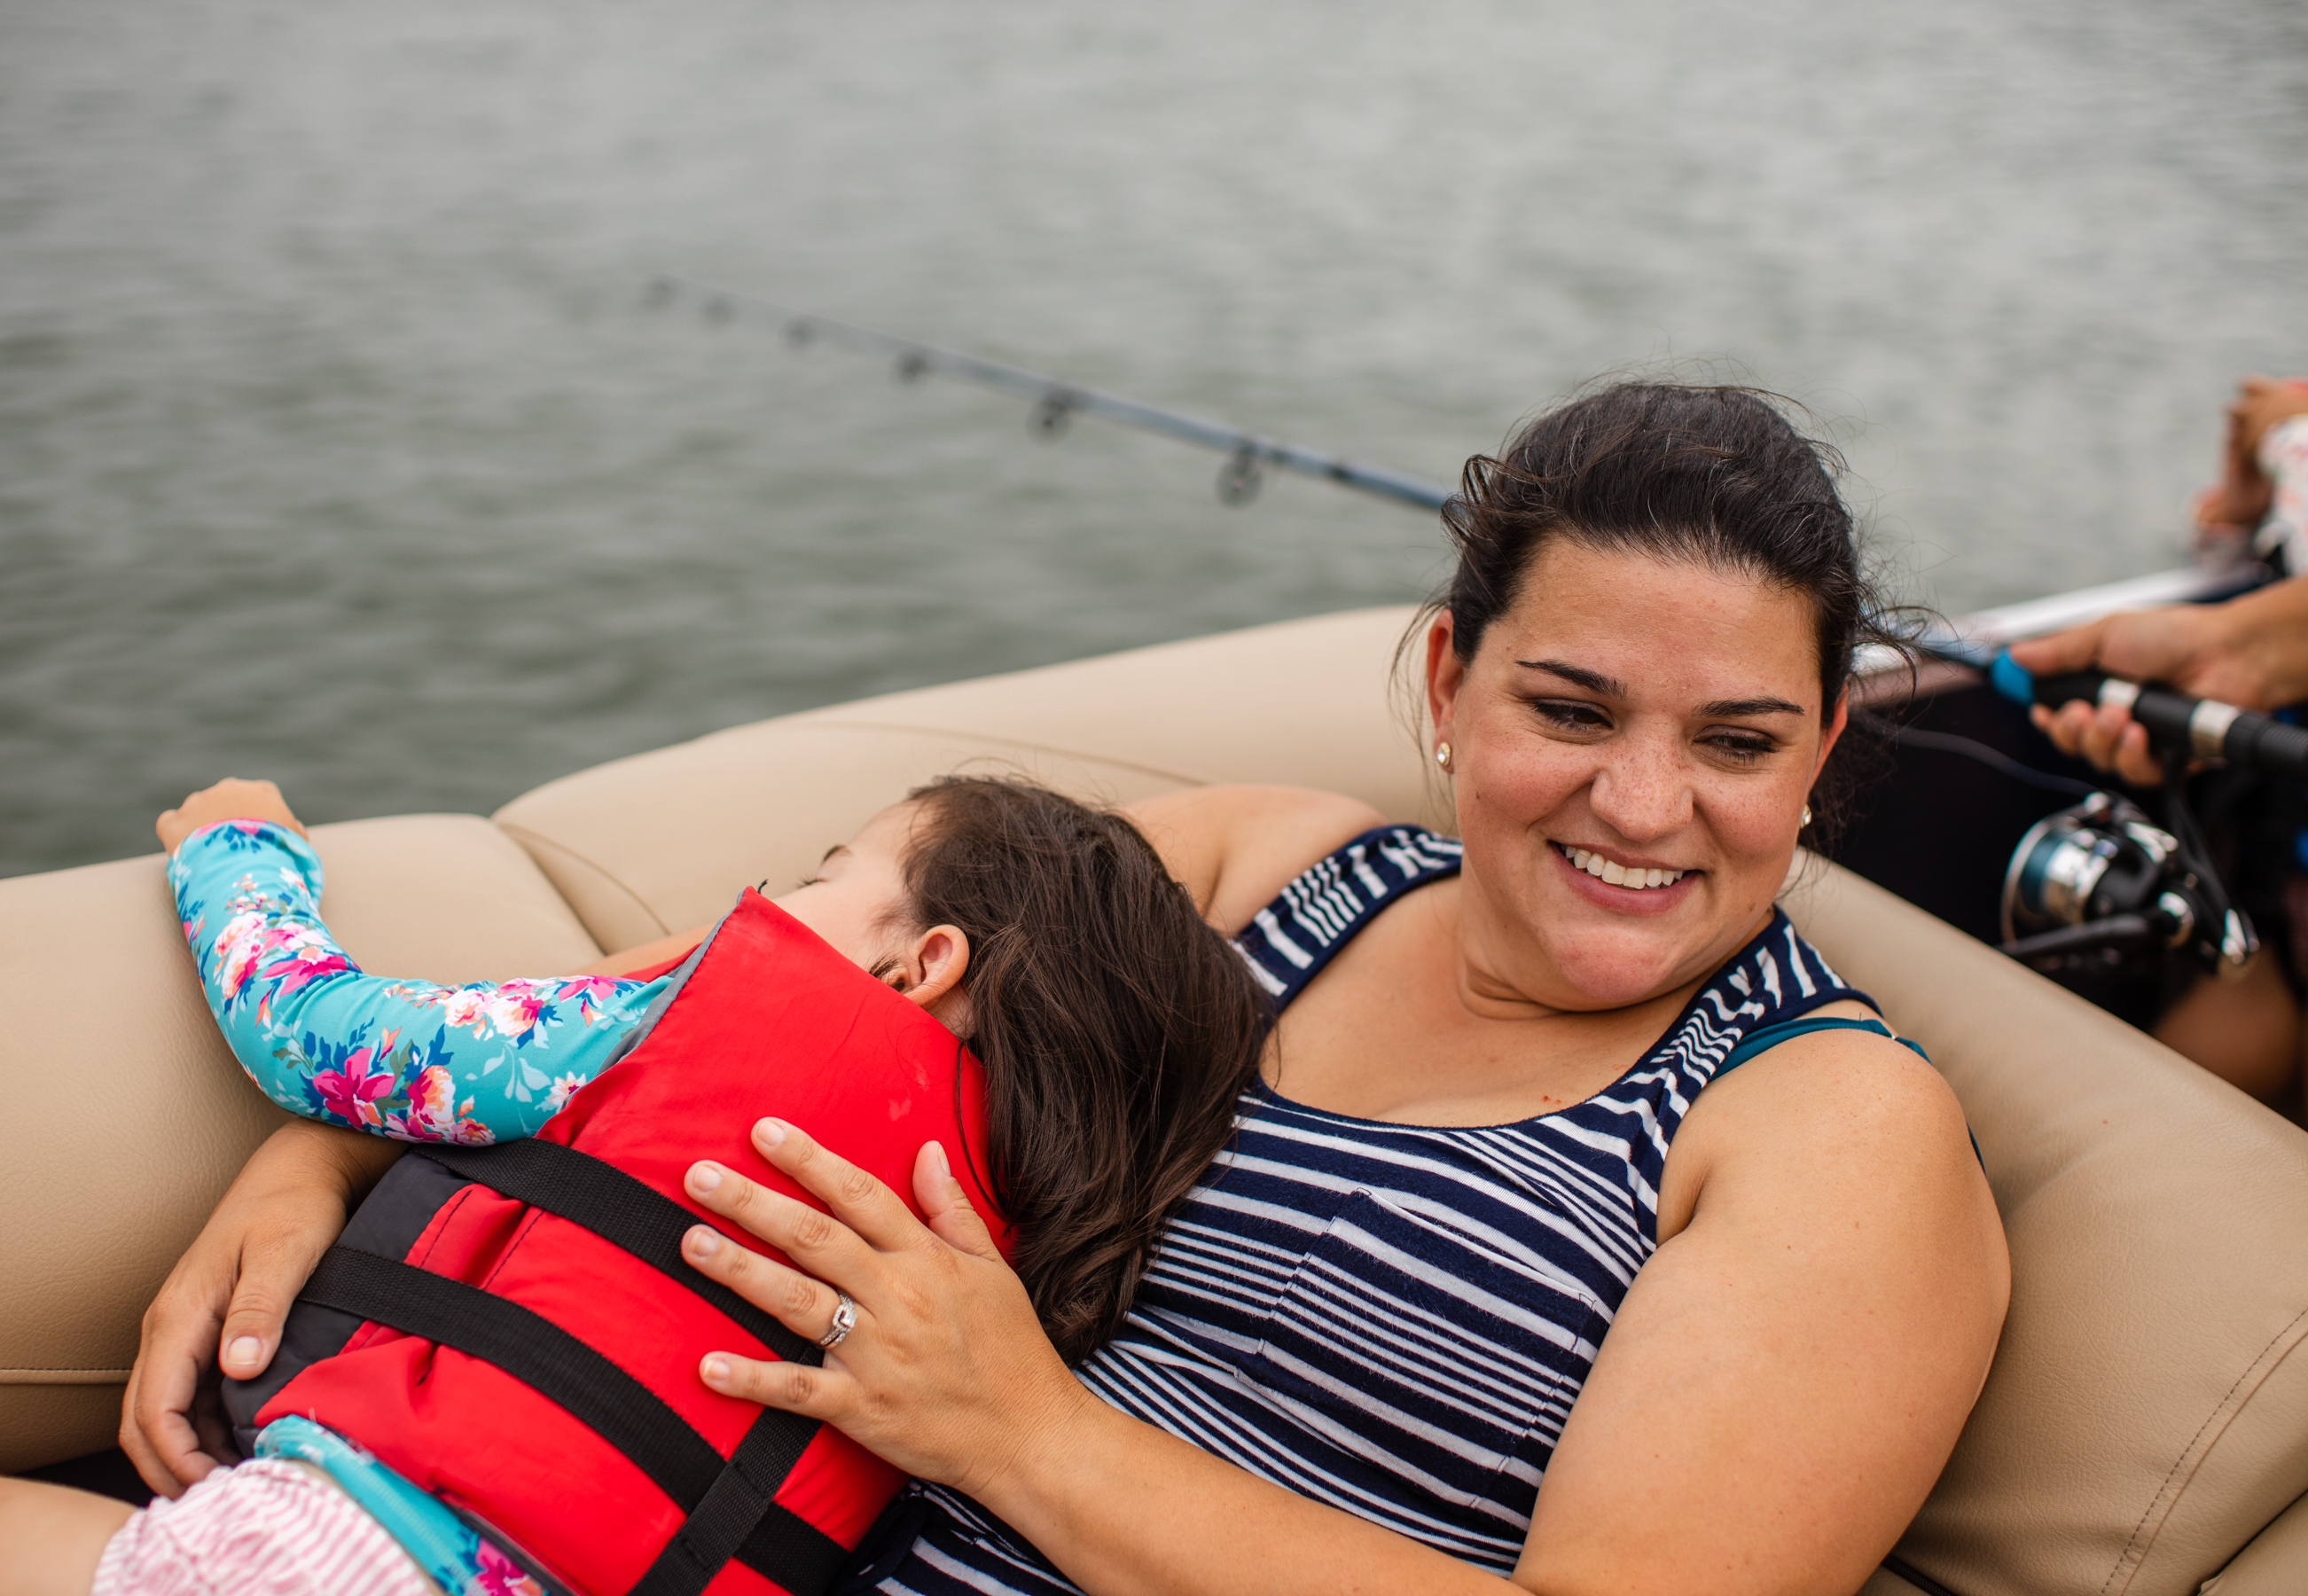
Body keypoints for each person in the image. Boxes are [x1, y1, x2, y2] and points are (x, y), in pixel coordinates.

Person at [113, 381, 2010, 1596]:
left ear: (1828, 742)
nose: (1644, 806)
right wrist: (310, 1167)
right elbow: (710, 1018)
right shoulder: (1265, 873)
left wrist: (1022, 1433)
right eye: (1569, 710)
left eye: (1739, 741)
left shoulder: (1835, 1133)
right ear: (1448, 684)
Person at [0, 774, 1269, 1596]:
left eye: (822, 878)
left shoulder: (683, 1031)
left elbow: (315, 1034)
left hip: (344, 1563)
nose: (759, 902)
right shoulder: (1006, 1249)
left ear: (919, 965)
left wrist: (234, 850)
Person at [2011, 368, 2308, 1126]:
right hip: (2266, 902)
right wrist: (2249, 497)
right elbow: (2250, 438)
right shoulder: (2302, 438)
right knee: (2118, 1140)